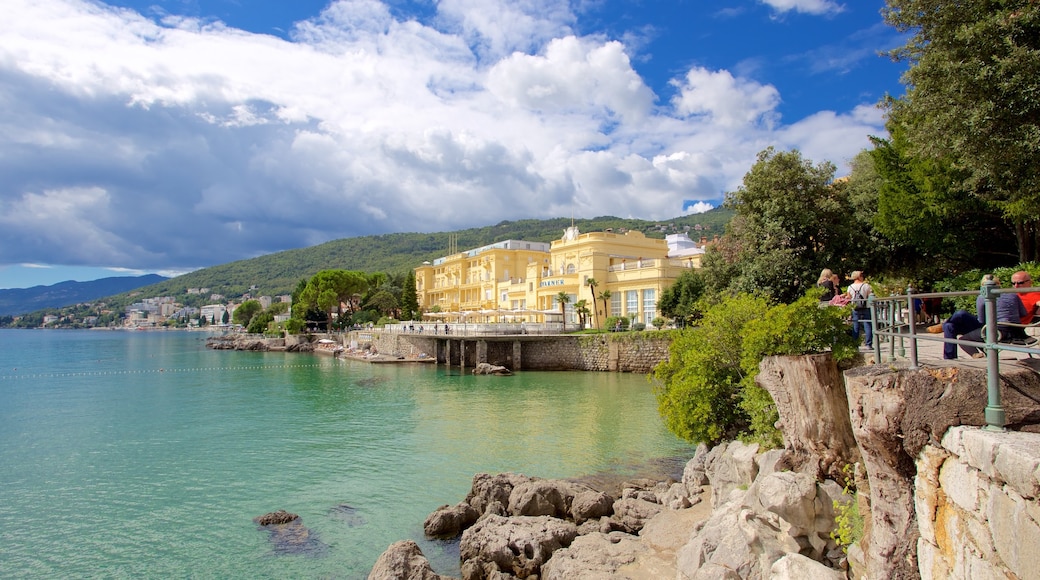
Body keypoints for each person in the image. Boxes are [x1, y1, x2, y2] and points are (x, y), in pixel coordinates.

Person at [929, 274, 1027, 359]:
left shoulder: (982, 296)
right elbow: (1023, 313)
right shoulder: (1013, 295)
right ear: (999, 284)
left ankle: (945, 327)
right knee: (949, 326)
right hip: (1014, 329)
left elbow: (981, 320)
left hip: (992, 328)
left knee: (960, 314)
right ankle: (950, 358)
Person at [847, 271, 873, 348]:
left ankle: (855, 344)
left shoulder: (850, 287)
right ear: (859, 277)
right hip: (865, 307)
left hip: (855, 308)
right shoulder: (866, 286)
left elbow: (849, 297)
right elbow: (870, 296)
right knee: (867, 325)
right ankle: (868, 344)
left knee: (855, 325)